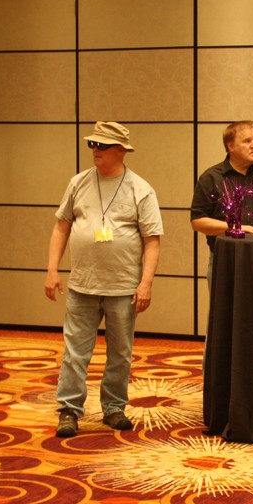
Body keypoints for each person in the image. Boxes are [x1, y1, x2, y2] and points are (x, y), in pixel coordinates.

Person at [45, 121, 163, 438]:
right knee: (75, 352)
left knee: (120, 353)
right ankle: (69, 410)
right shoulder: (78, 183)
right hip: (82, 285)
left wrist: (146, 283)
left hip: (123, 287)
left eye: (101, 145)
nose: (94, 150)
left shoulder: (140, 189)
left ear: (120, 150)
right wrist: (52, 270)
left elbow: (152, 240)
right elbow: (61, 227)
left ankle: (113, 407)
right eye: (92, 144)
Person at [190, 121, 253, 283]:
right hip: (226, 262)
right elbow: (197, 222)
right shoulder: (211, 178)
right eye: (247, 141)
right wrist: (238, 228)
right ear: (230, 146)